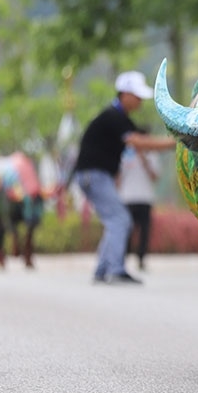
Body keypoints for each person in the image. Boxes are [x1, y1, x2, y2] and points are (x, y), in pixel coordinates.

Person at [74, 70, 176, 285]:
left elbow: (140, 138)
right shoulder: (114, 117)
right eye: (137, 96)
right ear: (125, 94)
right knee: (120, 219)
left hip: (93, 175)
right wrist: (175, 143)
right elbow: (138, 142)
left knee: (115, 219)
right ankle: (115, 269)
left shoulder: (118, 118)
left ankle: (103, 269)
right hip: (94, 174)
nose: (140, 101)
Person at [117, 128, 161, 272]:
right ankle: (122, 260)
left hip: (145, 198)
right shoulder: (125, 154)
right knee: (126, 231)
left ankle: (141, 259)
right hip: (127, 198)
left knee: (144, 232)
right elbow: (119, 176)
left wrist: (144, 159)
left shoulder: (152, 155)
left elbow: (155, 177)